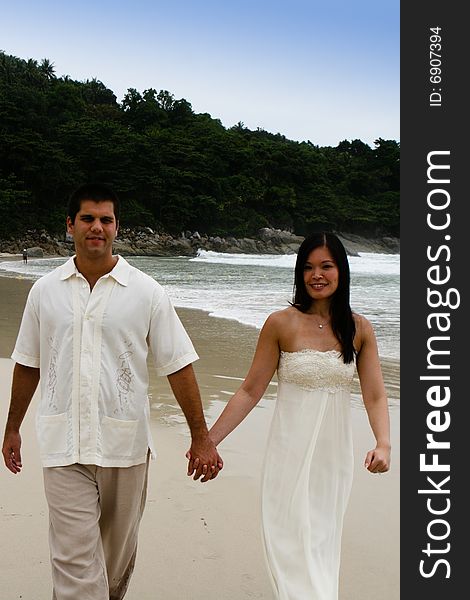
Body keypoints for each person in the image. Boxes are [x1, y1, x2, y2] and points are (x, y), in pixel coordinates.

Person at [2, 183, 222, 600]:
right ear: (70, 226)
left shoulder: (147, 292)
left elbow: (177, 365)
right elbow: (28, 362)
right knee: (75, 566)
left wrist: (201, 436)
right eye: (87, 218)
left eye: (106, 219)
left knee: (113, 564)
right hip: (63, 445)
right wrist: (12, 428)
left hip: (126, 446)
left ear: (117, 227)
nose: (97, 227)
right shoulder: (44, 291)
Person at [190, 231, 391, 600]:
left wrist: (383, 443)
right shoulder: (280, 324)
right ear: (299, 273)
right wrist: (208, 440)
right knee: (286, 543)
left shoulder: (359, 329)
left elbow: (376, 395)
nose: (317, 275)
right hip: (288, 454)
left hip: (332, 459)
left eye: (326, 267)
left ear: (341, 271)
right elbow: (250, 390)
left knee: (320, 544)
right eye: (309, 267)